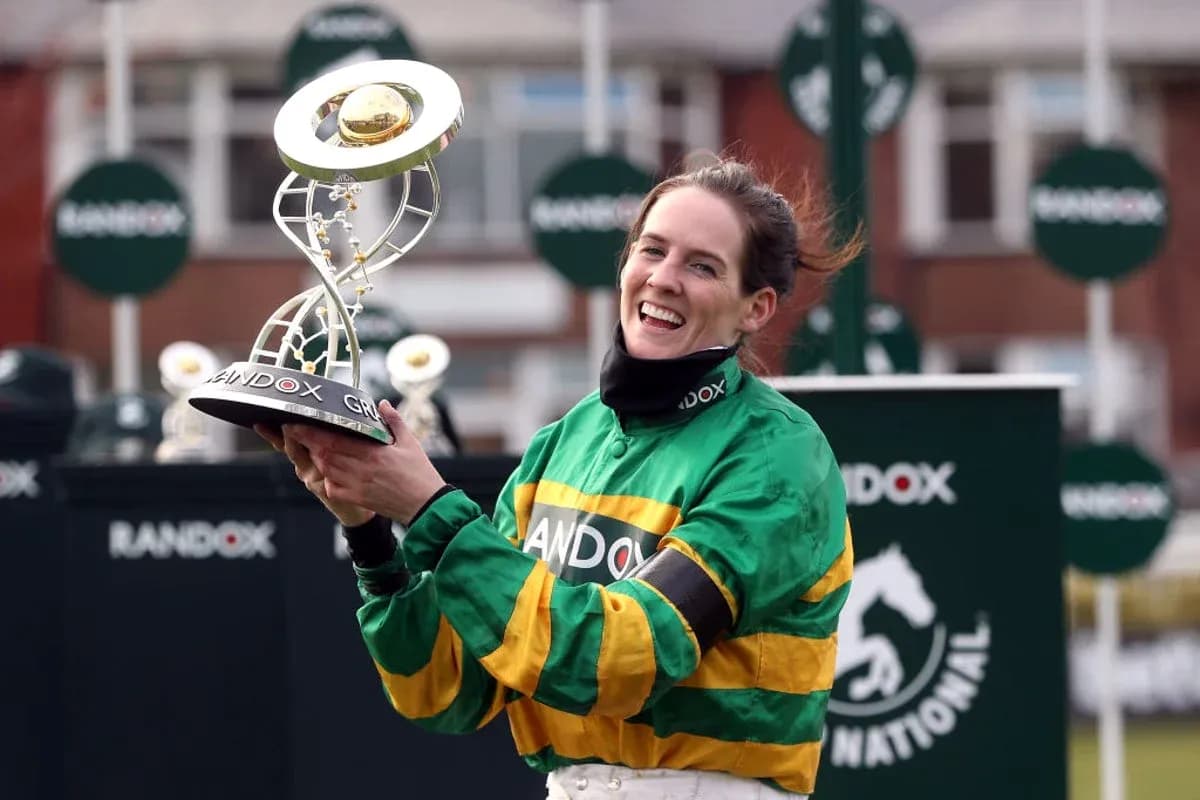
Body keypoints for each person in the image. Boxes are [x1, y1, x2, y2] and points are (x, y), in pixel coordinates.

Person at [259, 157, 859, 799]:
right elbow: (449, 690)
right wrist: (370, 535)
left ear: (756, 308)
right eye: (652, 250)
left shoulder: (776, 457)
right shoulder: (568, 438)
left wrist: (428, 508)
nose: (663, 279)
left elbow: (618, 661)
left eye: (702, 266)